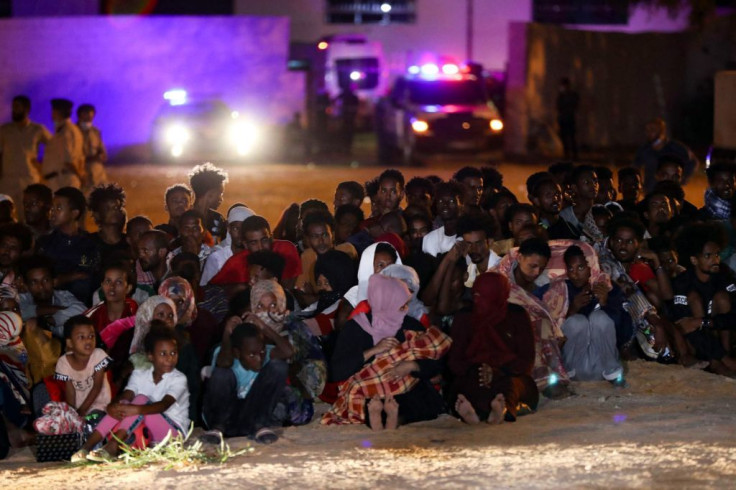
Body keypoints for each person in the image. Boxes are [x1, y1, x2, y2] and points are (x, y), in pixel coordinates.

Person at [325, 275, 449, 430]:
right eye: (402, 306)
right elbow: (337, 371)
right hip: (371, 391)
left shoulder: (410, 325)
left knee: (419, 400)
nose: (406, 310)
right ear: (385, 303)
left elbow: (436, 361)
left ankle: (392, 419)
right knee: (370, 401)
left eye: (405, 305)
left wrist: (412, 366)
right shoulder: (356, 328)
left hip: (407, 389)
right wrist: (373, 351)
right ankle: (385, 419)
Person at [71, 327, 190, 462]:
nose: (170, 358)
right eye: (163, 354)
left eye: (173, 353)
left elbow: (163, 405)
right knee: (124, 404)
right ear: (150, 356)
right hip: (147, 432)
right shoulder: (140, 374)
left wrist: (136, 409)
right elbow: (126, 396)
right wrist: (112, 407)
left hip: (172, 433)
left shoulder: (178, 379)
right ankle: (86, 447)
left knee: (140, 400)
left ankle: (112, 446)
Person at [449, 272, 538, 424]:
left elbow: (526, 360)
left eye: (485, 297)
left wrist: (497, 371)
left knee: (511, 386)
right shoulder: (464, 317)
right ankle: (473, 413)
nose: (478, 301)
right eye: (476, 295)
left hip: (509, 373)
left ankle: (501, 410)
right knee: (464, 387)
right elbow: (454, 362)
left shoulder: (516, 315)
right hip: (473, 373)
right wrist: (478, 370)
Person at [537, 245, 627, 384]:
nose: (575, 274)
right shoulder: (560, 289)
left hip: (603, 366)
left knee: (599, 318)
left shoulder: (608, 288)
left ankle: (614, 375)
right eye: (571, 269)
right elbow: (549, 327)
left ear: (591, 267)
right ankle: (568, 373)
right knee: (577, 321)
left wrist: (604, 303)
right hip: (574, 368)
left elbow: (622, 331)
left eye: (581, 268)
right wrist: (572, 309)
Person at [493, 238, 570, 397]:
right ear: (519, 257)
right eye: (532, 266)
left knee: (543, 326)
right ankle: (542, 380)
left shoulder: (546, 282)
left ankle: (551, 378)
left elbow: (550, 314)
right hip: (504, 329)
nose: (536, 272)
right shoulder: (499, 279)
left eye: (541, 268)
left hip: (539, 329)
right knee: (530, 330)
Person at [203, 321, 293, 444]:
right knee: (222, 374)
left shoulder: (265, 352)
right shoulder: (225, 353)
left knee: (279, 366)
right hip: (224, 418)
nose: (259, 359)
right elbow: (224, 363)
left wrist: (263, 327)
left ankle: (260, 426)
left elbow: (288, 352)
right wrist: (226, 332)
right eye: (251, 355)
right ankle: (217, 429)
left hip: (251, 418)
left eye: (261, 352)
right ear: (237, 353)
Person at [671, 223, 736, 374]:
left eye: (717, 254)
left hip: (719, 333)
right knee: (694, 300)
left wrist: (705, 322)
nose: (715, 260)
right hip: (696, 343)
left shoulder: (725, 275)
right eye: (708, 255)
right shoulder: (683, 282)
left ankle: (725, 356)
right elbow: (684, 324)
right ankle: (718, 361)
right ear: (694, 260)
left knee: (722, 299)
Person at [36, 186, 99, 304]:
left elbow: (86, 274)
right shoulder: (45, 243)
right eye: (52, 208)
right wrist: (70, 276)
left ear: (74, 213)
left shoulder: (89, 243)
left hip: (81, 305)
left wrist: (62, 279)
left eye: (58, 208)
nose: (52, 212)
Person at [209, 215, 302, 291]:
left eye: (264, 240)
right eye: (254, 243)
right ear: (245, 245)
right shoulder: (235, 263)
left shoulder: (286, 249)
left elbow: (288, 288)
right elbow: (211, 289)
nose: (261, 247)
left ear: (271, 238)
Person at [0, 95, 52, 211]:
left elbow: (54, 147)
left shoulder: (37, 129)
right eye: (13, 107)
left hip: (29, 179)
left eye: (17, 107)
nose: (14, 110)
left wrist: (42, 165)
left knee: (30, 216)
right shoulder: (4, 130)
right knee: (5, 217)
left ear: (27, 109)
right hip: (7, 180)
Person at [55, 315, 112, 417]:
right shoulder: (64, 362)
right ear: (70, 343)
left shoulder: (98, 355)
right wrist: (72, 413)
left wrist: (82, 410)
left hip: (100, 406)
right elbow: (70, 391)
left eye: (91, 336)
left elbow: (97, 386)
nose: (88, 341)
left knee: (92, 423)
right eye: (81, 337)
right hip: (79, 407)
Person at [18, 255, 87, 338]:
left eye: (45, 280)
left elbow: (83, 310)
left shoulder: (63, 296)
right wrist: (56, 310)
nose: (41, 286)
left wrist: (54, 319)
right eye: (34, 282)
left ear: (54, 281)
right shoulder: (22, 298)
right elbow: (20, 313)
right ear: (26, 286)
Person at [634, 118, 698, 192]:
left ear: (662, 131)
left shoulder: (675, 147)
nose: (649, 132)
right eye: (647, 130)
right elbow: (635, 167)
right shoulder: (644, 149)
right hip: (650, 191)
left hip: (670, 191)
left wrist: (684, 178)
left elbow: (693, 162)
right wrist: (639, 184)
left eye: (652, 130)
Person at [200, 205, 254, 286]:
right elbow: (206, 288)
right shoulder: (216, 257)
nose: (240, 234)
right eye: (236, 229)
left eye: (244, 229)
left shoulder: (255, 255)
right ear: (229, 228)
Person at [85, 260, 137, 334]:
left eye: (118, 282)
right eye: (108, 281)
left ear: (128, 288)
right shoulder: (92, 315)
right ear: (102, 285)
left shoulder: (136, 314)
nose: (112, 286)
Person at [43, 99, 84, 190]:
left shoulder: (67, 131)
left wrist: (80, 176)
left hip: (63, 181)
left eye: (53, 111)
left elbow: (68, 160)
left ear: (57, 112)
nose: (52, 114)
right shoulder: (64, 130)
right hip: (60, 180)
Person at [88, 183, 128, 263]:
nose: (114, 211)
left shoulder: (129, 242)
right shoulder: (88, 243)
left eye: (117, 207)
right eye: (108, 208)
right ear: (97, 215)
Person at [189, 163, 228, 243]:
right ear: (210, 194)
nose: (221, 199)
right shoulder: (217, 219)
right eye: (220, 193)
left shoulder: (219, 218)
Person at [422, 182, 463, 257]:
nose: (445, 205)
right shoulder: (429, 239)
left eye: (451, 201)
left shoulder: (469, 237)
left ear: (461, 203)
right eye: (441, 201)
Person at [76, 104, 108, 191]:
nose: (89, 119)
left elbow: (103, 153)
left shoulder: (96, 132)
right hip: (81, 174)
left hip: (98, 174)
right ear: (80, 115)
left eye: (91, 117)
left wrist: (100, 156)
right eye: (86, 116)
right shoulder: (73, 132)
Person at [556, 78, 579, 161]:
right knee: (564, 138)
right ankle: (566, 154)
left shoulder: (572, 95)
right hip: (563, 119)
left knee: (572, 138)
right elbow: (558, 107)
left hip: (570, 119)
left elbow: (575, 106)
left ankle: (574, 155)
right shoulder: (561, 96)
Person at [336, 84, 360, 153]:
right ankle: (346, 147)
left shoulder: (351, 96)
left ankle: (346, 147)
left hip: (347, 118)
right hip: (347, 118)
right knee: (347, 133)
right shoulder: (352, 96)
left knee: (347, 132)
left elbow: (335, 99)